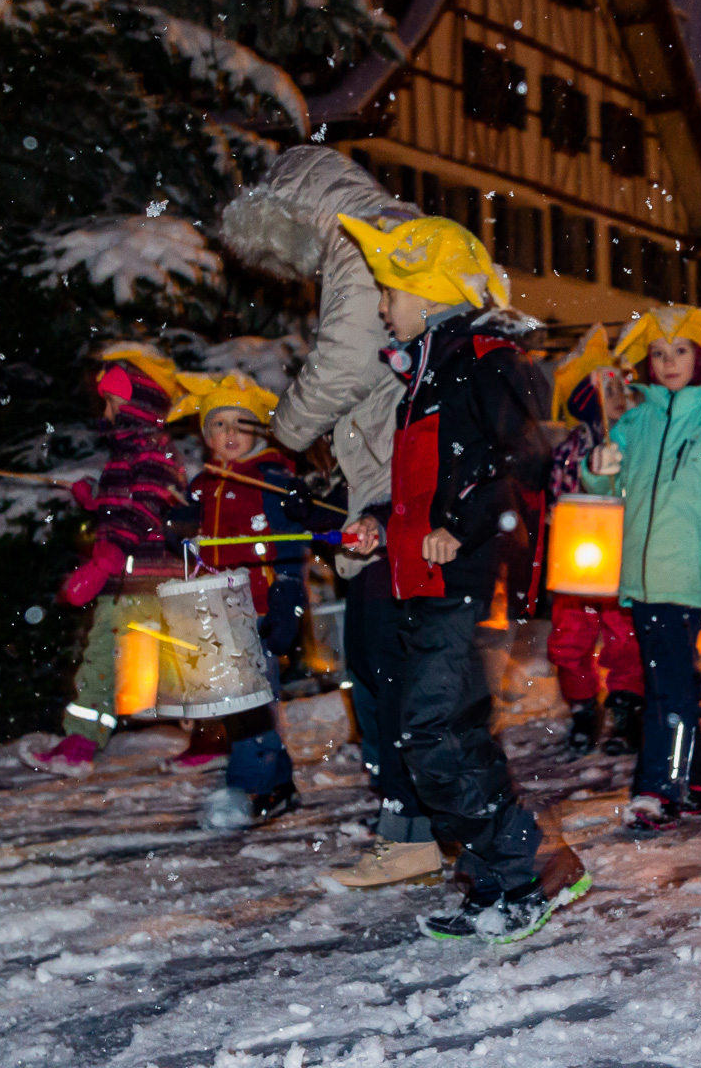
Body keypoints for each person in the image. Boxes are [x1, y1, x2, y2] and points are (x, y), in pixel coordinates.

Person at [336, 214, 587, 943]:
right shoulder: (426, 372)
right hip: (422, 576)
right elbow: (430, 482)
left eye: (390, 292)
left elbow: (520, 459)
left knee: (434, 731)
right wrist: (380, 520)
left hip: (466, 576)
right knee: (445, 733)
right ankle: (492, 878)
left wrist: (463, 525)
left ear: (430, 293)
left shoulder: (485, 359)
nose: (384, 307)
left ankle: (530, 866)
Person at [217, 148, 437, 890]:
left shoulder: (360, 239)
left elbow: (349, 357)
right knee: (386, 665)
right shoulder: (382, 229)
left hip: (391, 481)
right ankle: (410, 822)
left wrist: (287, 426)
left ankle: (413, 827)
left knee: (383, 667)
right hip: (388, 478)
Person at [579, 307, 701, 830]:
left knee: (667, 684)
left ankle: (660, 788)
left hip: (688, 570)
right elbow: (610, 488)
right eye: (658, 353)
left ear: (700, 357)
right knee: (670, 679)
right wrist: (597, 470)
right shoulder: (636, 422)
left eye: (680, 350)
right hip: (640, 576)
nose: (668, 362)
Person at [20, 344, 187, 778]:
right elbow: (127, 501)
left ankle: (83, 742)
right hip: (126, 573)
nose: (108, 412)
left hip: (141, 575)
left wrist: (113, 552)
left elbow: (149, 505)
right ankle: (83, 738)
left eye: (114, 402)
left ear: (140, 403)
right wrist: (96, 499)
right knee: (111, 656)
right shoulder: (129, 451)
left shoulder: (152, 449)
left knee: (110, 658)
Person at [167, 371, 305, 827]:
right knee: (237, 700)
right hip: (215, 607)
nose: (229, 433)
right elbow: (195, 539)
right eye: (218, 424)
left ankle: (251, 785)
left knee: (247, 702)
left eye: (240, 424)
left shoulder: (270, 479)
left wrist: (287, 595)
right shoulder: (204, 485)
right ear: (207, 436)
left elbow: (290, 543)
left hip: (257, 604)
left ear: (258, 431)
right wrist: (180, 527)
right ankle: (277, 781)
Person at [545, 324, 644, 756]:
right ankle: (583, 708)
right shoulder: (569, 452)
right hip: (579, 565)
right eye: (609, 390)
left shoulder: (636, 446)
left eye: (623, 389)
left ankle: (625, 707)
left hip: (622, 560)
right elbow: (558, 503)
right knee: (570, 639)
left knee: (625, 639)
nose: (620, 397)